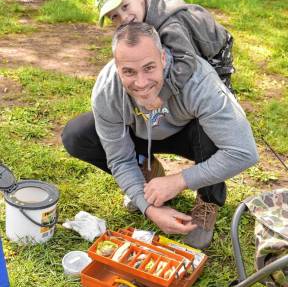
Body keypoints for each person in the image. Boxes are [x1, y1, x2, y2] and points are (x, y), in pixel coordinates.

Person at [62, 22, 259, 249]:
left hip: (189, 133)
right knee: (78, 134)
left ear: (164, 59)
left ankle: (207, 200)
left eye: (149, 68)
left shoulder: (199, 82)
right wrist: (150, 208)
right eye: (128, 72)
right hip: (139, 133)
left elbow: (244, 152)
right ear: (116, 68)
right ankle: (148, 173)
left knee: (216, 134)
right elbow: (119, 158)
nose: (141, 83)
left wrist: (180, 181)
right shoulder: (107, 90)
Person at [95, 0, 235, 91]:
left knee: (213, 90)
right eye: (114, 16)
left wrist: (165, 92)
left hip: (214, 47)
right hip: (184, 43)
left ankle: (227, 117)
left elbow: (185, 60)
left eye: (125, 6)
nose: (124, 18)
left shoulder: (169, 24)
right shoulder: (138, 14)